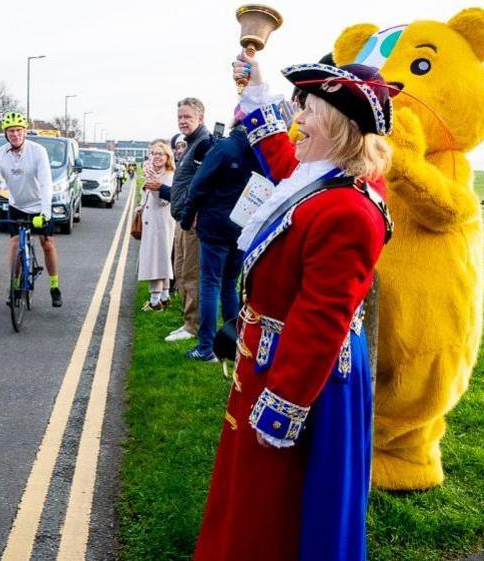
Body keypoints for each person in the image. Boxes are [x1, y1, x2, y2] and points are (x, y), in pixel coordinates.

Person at [193, 52, 394, 561]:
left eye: (307, 112)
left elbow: (322, 318)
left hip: (305, 377)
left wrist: (283, 409)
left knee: (281, 504)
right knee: (257, 498)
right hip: (272, 357)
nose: (296, 119)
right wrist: (255, 89)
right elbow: (285, 166)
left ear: (339, 128)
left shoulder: (349, 208)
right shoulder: (320, 176)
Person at [180, 106, 261, 362]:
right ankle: (234, 344)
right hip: (242, 225)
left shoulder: (224, 148)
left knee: (210, 285)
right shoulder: (260, 152)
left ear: (235, 120)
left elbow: (198, 185)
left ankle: (206, 347)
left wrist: (186, 217)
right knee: (230, 285)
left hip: (215, 224)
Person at [0, 112, 62, 307]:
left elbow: (46, 184)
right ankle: (15, 286)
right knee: (15, 243)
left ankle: (54, 286)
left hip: (39, 205)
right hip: (17, 205)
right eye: (11, 131)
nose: (15, 134)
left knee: (47, 243)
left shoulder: (38, 151)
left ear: (25, 132)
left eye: (18, 130)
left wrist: (45, 214)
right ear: (6, 134)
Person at [160, 97, 213, 343]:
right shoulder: (191, 143)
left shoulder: (203, 144)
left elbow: (206, 184)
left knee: (191, 275)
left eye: (188, 117)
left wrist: (194, 213)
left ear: (200, 118)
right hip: (183, 218)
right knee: (181, 271)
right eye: (180, 117)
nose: (182, 121)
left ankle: (193, 326)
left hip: (193, 221)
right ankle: (187, 321)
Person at [137, 140, 175, 311]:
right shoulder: (154, 173)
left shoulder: (169, 175)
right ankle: (165, 296)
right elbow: (148, 197)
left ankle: (154, 301)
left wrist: (151, 181)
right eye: (153, 153)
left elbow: (162, 201)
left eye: (160, 154)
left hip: (161, 223)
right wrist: (141, 204)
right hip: (151, 221)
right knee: (162, 258)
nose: (156, 157)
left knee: (156, 259)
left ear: (168, 157)